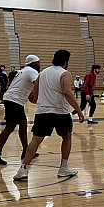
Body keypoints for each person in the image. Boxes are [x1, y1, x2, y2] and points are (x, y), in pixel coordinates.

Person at [14, 50, 84, 181]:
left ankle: (23, 169)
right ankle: (63, 167)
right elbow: (67, 93)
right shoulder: (65, 73)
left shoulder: (42, 73)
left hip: (42, 112)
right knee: (66, 137)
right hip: (60, 112)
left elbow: (33, 94)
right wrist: (79, 111)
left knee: (35, 140)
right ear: (66, 61)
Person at [0, 55, 41, 166]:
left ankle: (26, 150)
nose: (39, 64)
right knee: (10, 127)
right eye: (38, 62)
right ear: (33, 63)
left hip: (13, 100)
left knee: (23, 124)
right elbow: (38, 84)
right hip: (14, 100)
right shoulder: (31, 71)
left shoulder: (24, 70)